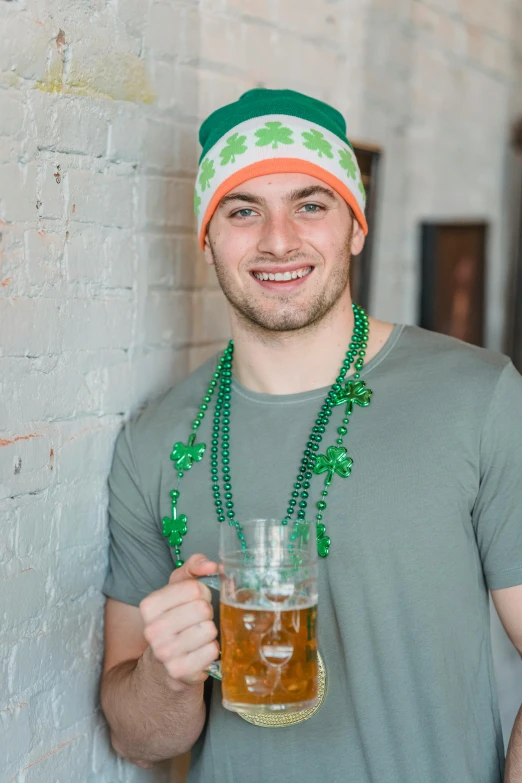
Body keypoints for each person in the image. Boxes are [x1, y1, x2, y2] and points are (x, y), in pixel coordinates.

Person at [100, 88, 522, 783]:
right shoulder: (153, 442)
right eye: (243, 210)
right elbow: (138, 738)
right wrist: (164, 675)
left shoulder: (478, 397)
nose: (278, 240)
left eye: (310, 204)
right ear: (207, 237)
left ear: (355, 225)